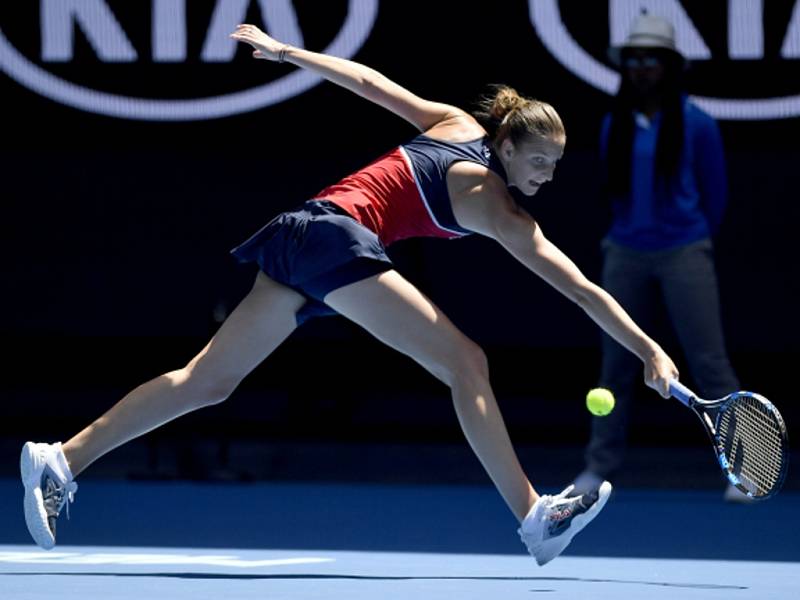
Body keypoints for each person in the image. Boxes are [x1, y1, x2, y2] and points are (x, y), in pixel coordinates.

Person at [20, 23, 679, 566]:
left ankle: (60, 460)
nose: (547, 175)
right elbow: (583, 291)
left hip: (305, 229)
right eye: (539, 161)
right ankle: (535, 518)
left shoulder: (453, 124)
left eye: (557, 165)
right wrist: (649, 347)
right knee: (466, 362)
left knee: (207, 381)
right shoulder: (496, 207)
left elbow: (368, 82)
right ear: (506, 144)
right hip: (337, 238)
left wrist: (285, 52)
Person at [570, 14, 745, 502]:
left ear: (669, 67)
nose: (642, 69)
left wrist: (685, 238)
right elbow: (611, 191)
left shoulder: (698, 125)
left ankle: (742, 470)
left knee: (709, 364)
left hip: (685, 252)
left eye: (652, 60)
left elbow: (716, 196)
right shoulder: (613, 125)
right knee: (614, 368)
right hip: (624, 253)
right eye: (635, 60)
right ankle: (596, 467)